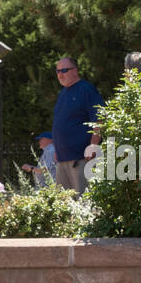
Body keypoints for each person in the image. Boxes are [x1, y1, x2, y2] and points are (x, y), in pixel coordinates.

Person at [50, 56, 102, 193]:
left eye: (64, 70)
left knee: (85, 204)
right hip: (62, 159)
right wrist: (57, 148)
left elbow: (100, 118)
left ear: (75, 71)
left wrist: (93, 144)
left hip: (81, 158)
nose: (60, 74)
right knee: (65, 205)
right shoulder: (62, 93)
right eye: (58, 71)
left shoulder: (86, 89)